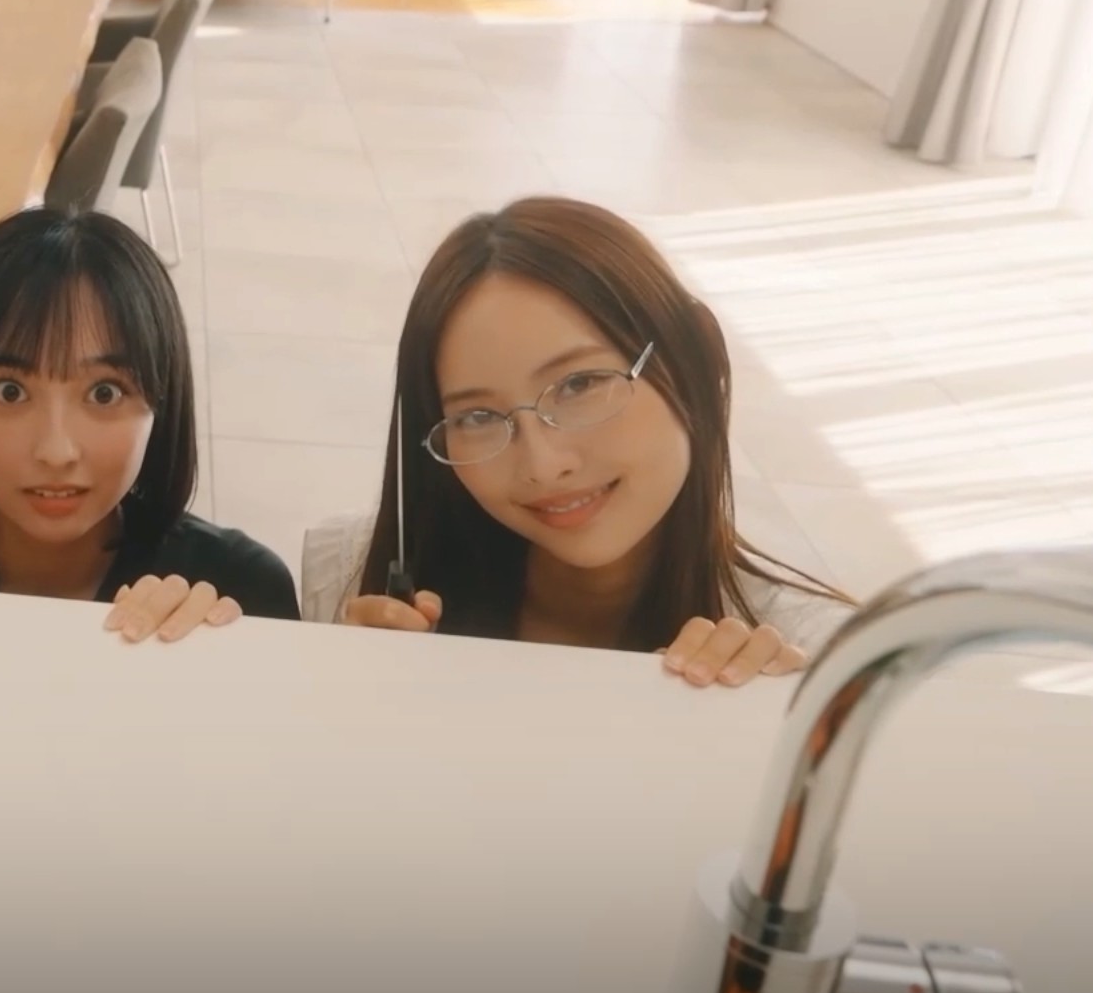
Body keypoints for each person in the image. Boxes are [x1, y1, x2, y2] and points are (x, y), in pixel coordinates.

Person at [301, 196, 851, 687]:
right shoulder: (351, 578)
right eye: (477, 416)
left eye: (580, 385)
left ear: (698, 359)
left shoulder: (816, 661)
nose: (543, 465)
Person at [0, 206, 299, 641]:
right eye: (10, 391)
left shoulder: (239, 589)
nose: (56, 451)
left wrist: (214, 657)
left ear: (160, 404)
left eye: (104, 393)